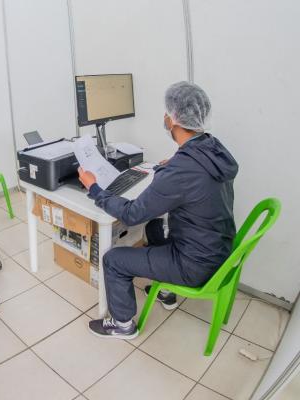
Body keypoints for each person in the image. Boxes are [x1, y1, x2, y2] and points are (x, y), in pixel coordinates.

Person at [78, 81, 238, 339]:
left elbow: (131, 214)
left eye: (167, 112)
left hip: (194, 264)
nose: (164, 117)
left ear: (174, 119)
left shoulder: (182, 171)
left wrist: (95, 188)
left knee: (114, 260)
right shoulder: (212, 147)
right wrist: (175, 162)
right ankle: (167, 291)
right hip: (217, 249)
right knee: (153, 226)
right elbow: (191, 175)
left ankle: (122, 325)